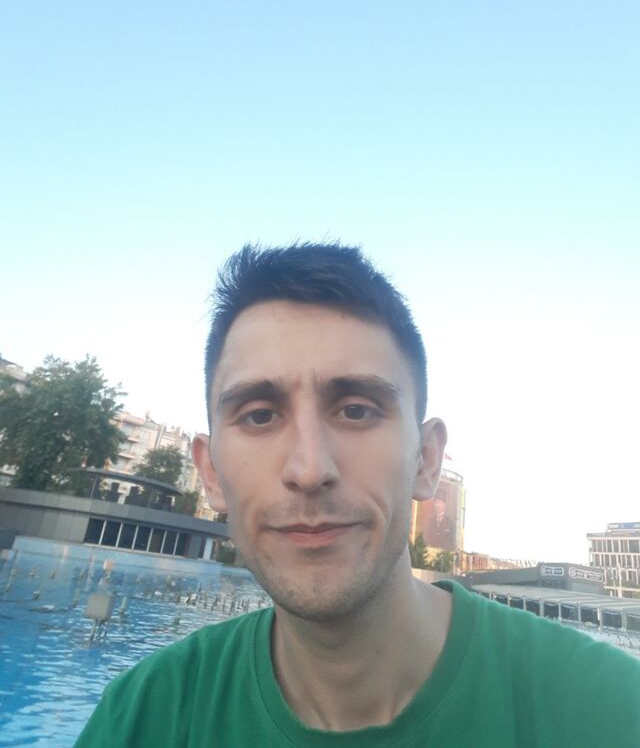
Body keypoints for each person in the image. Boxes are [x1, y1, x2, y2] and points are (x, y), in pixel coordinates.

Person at [75, 242, 640, 747]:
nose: (309, 469)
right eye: (260, 415)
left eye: (356, 410)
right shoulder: (142, 719)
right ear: (212, 473)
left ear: (427, 460)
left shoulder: (607, 712)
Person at [423, 486, 456, 550]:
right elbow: (427, 540)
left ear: (444, 504)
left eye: (439, 502)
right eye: (436, 502)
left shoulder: (450, 523)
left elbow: (451, 542)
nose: (437, 505)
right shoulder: (430, 522)